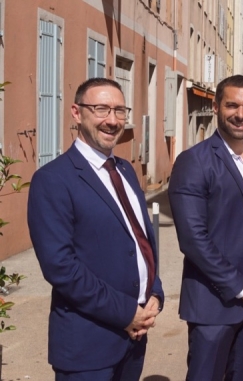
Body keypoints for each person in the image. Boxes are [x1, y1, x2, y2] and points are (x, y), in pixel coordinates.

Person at [27, 77, 164, 380]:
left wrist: (155, 291)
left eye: (120, 111)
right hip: (87, 346)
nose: (112, 120)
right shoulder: (53, 180)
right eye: (101, 109)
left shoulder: (125, 170)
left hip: (134, 339)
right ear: (76, 113)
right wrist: (127, 312)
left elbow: (142, 240)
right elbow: (61, 267)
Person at [168, 74, 243, 381]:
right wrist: (242, 288)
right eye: (232, 105)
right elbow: (193, 239)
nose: (240, 113)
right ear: (217, 106)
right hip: (213, 303)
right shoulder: (194, 161)